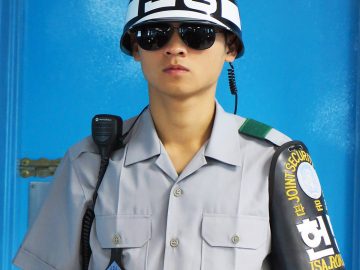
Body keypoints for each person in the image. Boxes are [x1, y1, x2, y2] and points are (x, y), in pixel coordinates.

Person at [13, 1, 345, 270]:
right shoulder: (89, 162)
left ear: (230, 46)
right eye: (154, 35)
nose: (175, 49)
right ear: (135, 49)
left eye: (197, 35)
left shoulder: (277, 161)